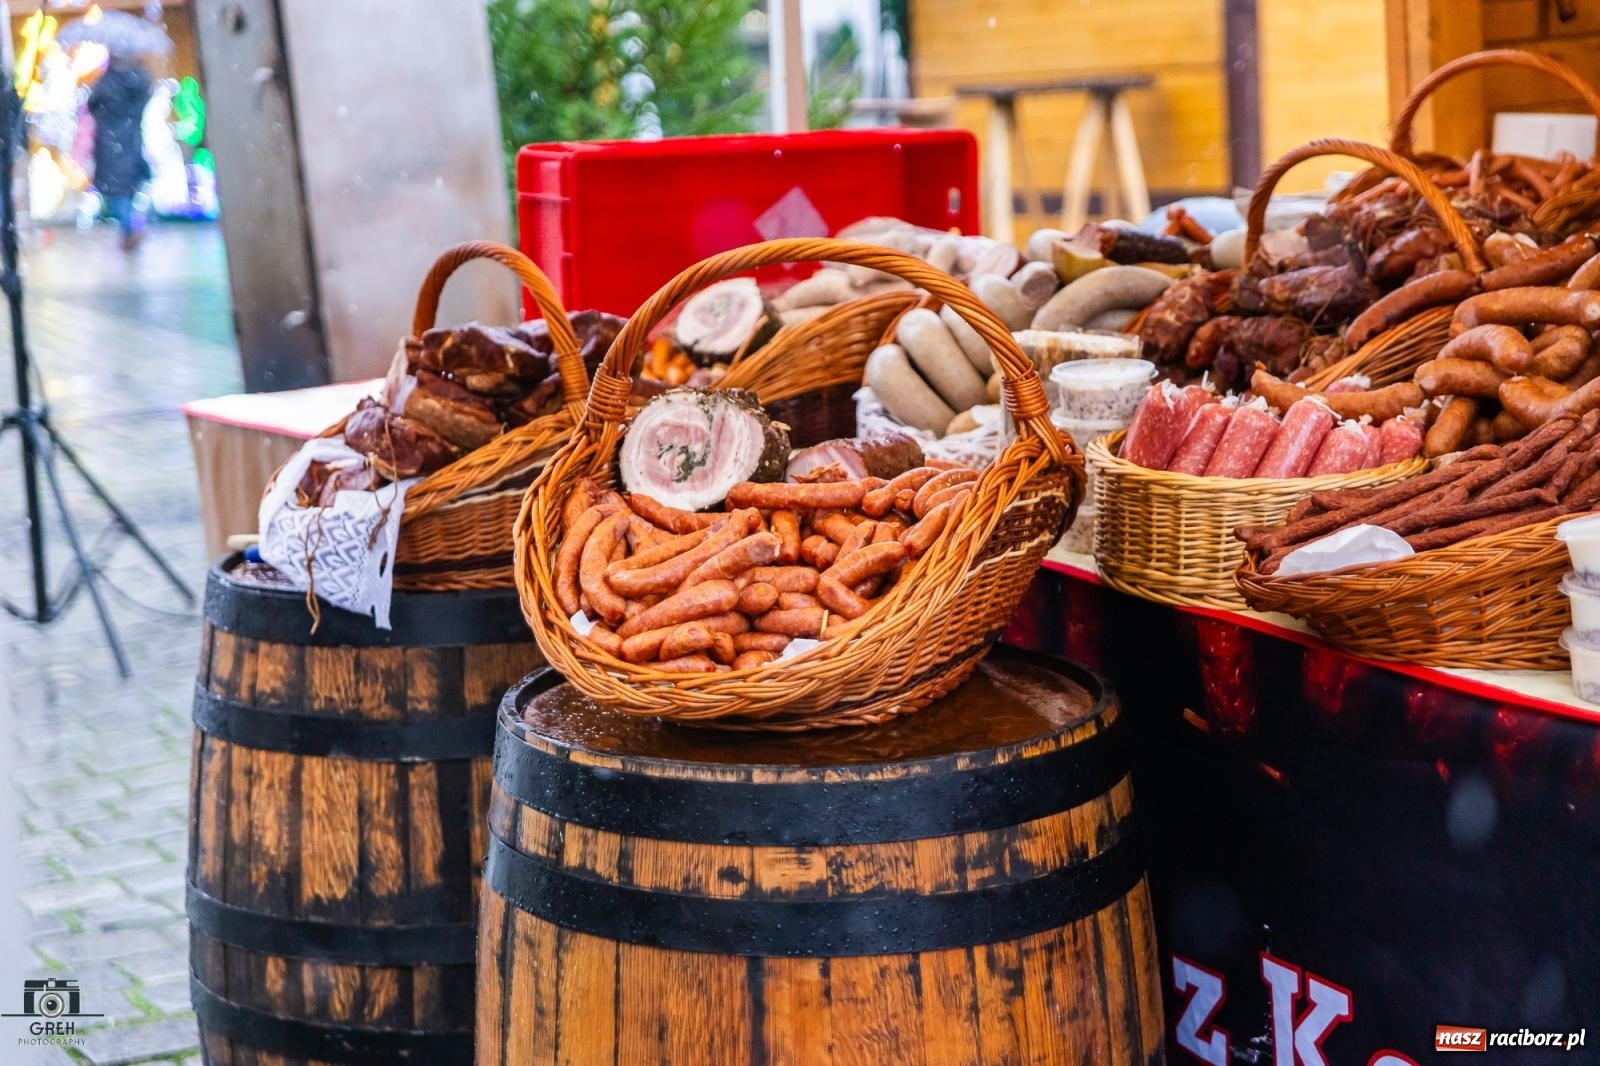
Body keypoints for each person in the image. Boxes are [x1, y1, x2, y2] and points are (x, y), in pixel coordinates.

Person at [87, 54, 153, 251]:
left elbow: (92, 104)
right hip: (131, 140)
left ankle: (129, 231)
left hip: (111, 143)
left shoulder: (107, 82)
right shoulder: (138, 81)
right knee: (129, 187)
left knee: (118, 191)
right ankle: (131, 230)